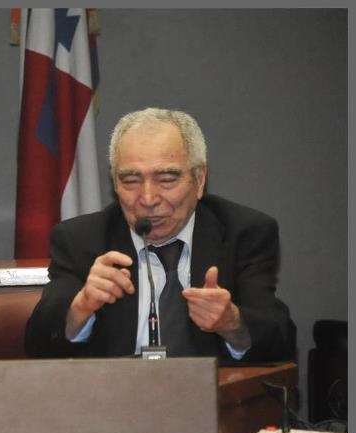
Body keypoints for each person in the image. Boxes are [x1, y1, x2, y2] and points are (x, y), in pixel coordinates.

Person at [25, 107, 295, 362]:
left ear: (199, 180)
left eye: (166, 179)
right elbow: (37, 345)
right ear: (115, 183)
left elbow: (280, 339)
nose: (148, 198)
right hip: (112, 402)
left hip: (213, 402)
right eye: (130, 180)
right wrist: (81, 307)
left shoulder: (244, 233)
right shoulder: (81, 240)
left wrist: (232, 323)